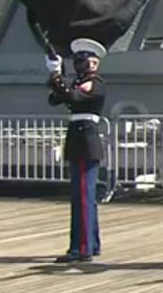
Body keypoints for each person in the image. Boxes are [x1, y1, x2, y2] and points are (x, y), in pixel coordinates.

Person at [46, 38, 107, 263]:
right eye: (77, 60)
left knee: (83, 196)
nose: (79, 65)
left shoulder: (95, 82)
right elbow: (55, 98)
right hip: (78, 140)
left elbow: (71, 96)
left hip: (85, 141)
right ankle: (91, 243)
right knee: (83, 196)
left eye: (84, 61)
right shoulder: (78, 82)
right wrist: (55, 73)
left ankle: (81, 248)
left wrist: (56, 75)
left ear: (95, 63)